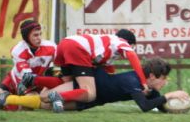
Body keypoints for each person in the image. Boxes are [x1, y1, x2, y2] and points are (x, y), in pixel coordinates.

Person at [0, 57, 189, 113]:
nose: (165, 83)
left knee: (46, 105)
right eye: (164, 79)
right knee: (46, 97)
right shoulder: (134, 82)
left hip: (91, 101)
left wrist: (174, 105)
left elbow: (156, 104)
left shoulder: (147, 86)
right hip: (87, 85)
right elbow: (145, 107)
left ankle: (7, 100)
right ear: (153, 76)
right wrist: (170, 96)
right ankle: (49, 75)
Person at [19, 30, 149, 112]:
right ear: (128, 42)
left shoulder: (106, 45)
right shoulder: (120, 41)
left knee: (67, 84)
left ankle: (32, 79)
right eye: (132, 47)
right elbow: (132, 56)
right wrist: (143, 82)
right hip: (77, 48)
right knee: (90, 94)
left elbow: (109, 72)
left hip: (64, 44)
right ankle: (58, 97)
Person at [0, 19, 59, 110]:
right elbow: (28, 78)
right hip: (17, 81)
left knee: (31, 105)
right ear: (26, 37)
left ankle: (4, 101)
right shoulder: (18, 50)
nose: (39, 38)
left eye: (40, 34)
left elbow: (59, 65)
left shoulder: (51, 47)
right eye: (35, 35)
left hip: (34, 81)